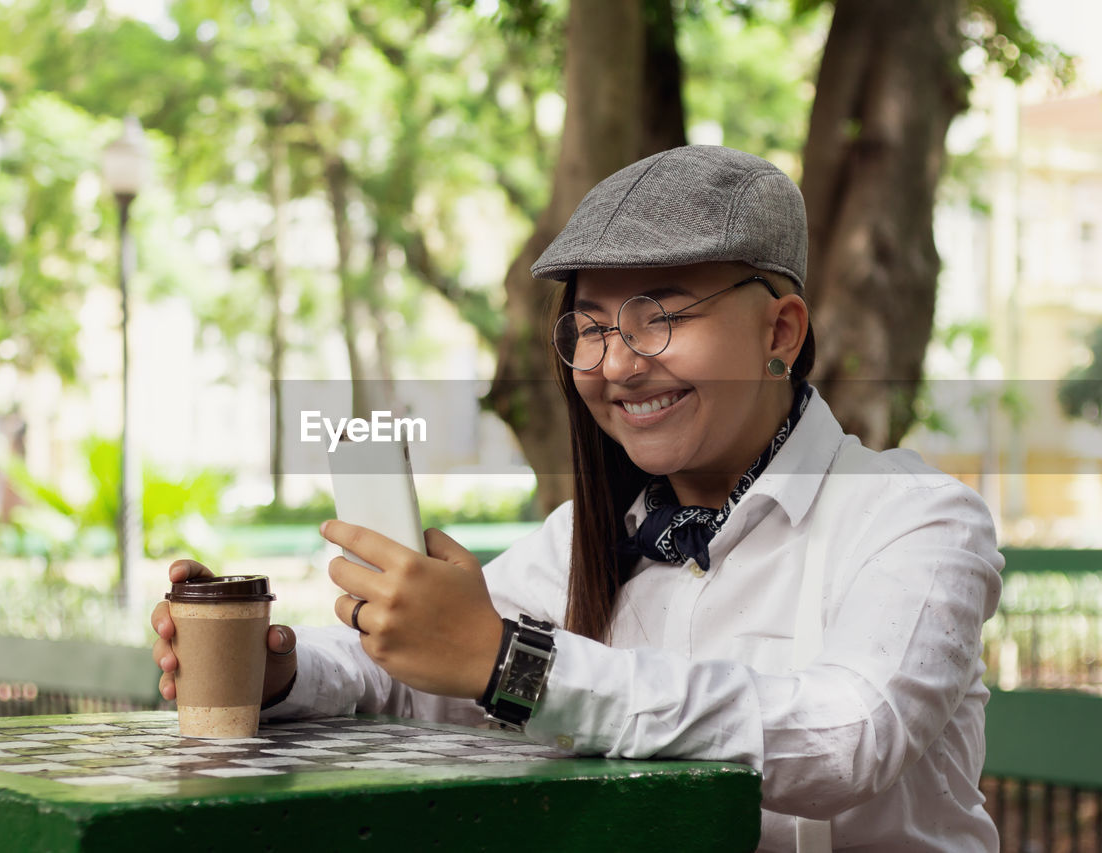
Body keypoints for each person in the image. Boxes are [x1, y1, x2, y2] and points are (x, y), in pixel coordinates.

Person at [151, 145, 1002, 852]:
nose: (618, 362)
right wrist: (281, 667)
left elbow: (845, 737)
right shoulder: (583, 538)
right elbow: (414, 683)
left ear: (779, 331)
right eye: (591, 327)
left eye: (658, 315)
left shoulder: (917, 519)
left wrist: (513, 663)